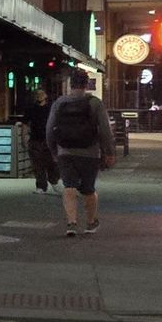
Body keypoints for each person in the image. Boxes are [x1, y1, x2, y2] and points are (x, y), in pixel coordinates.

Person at [47, 70, 115, 236]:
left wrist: (54, 151)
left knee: (69, 186)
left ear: (71, 84)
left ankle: (71, 223)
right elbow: (105, 130)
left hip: (65, 151)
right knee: (88, 189)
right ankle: (91, 223)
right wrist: (109, 152)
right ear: (87, 84)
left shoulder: (60, 102)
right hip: (89, 152)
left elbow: (49, 129)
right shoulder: (95, 103)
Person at [18, 86, 56, 194]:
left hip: (49, 139)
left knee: (51, 163)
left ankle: (53, 180)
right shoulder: (31, 109)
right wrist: (23, 137)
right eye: (37, 94)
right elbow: (25, 124)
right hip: (35, 139)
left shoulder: (51, 109)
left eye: (41, 94)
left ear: (45, 96)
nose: (39, 96)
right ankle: (41, 186)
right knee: (37, 164)